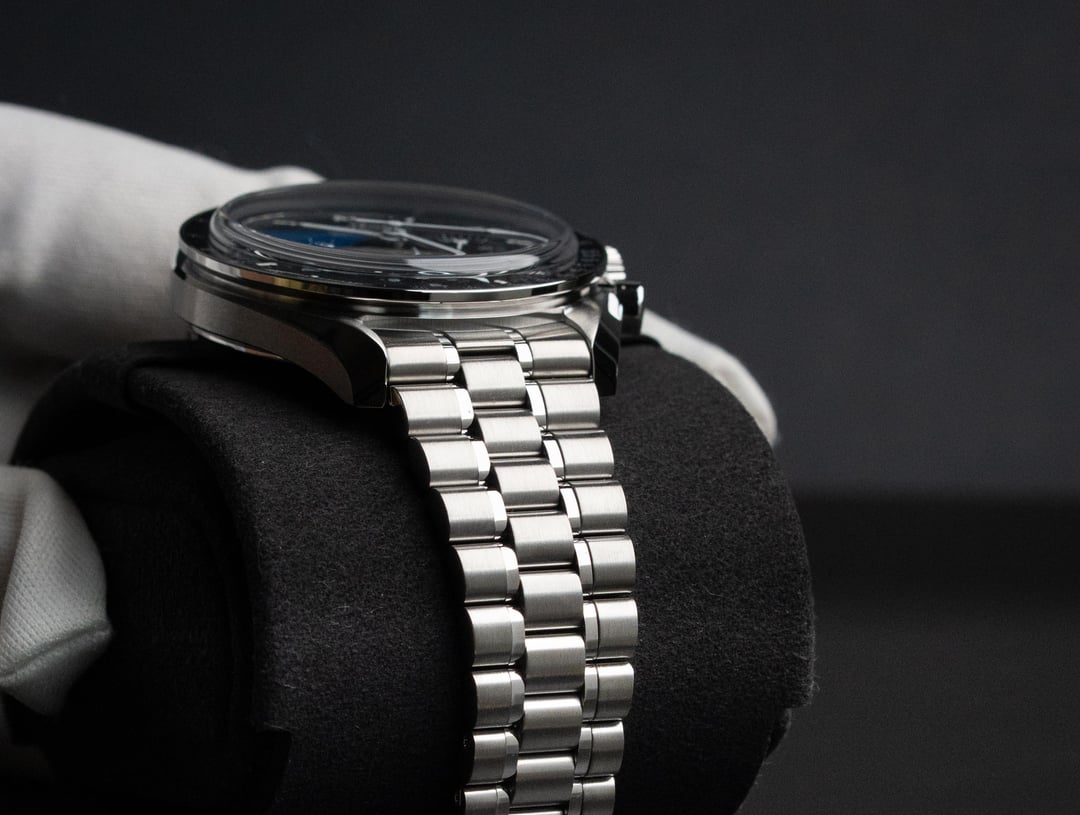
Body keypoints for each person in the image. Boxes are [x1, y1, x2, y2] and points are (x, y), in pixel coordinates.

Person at [0, 102, 776, 721]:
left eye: (411, 242)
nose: (401, 245)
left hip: (527, 319)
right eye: (386, 243)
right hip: (385, 331)